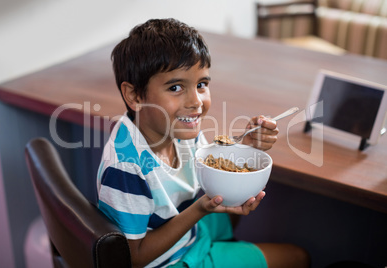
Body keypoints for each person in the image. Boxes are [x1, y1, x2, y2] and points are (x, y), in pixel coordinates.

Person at [96, 18, 310, 268]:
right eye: (175, 87)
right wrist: (200, 209)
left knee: (229, 225)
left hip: (189, 230)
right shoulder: (127, 167)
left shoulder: (180, 128)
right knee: (298, 258)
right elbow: (133, 258)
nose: (196, 101)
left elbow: (212, 166)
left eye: (201, 84)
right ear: (134, 95)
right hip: (171, 261)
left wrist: (249, 147)